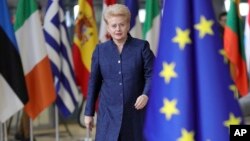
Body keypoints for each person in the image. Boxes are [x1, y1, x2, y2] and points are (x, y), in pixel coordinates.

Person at [84, 4, 155, 141]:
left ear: (128, 25)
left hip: (135, 116)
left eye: (121, 25)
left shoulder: (142, 47)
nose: (117, 29)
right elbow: (94, 82)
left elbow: (152, 74)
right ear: (108, 27)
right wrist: (89, 113)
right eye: (114, 25)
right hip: (108, 116)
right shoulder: (100, 51)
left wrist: (146, 94)